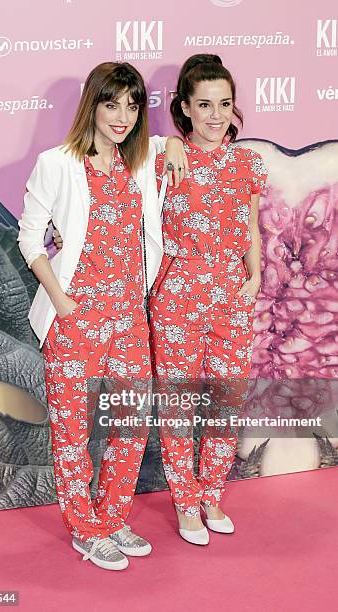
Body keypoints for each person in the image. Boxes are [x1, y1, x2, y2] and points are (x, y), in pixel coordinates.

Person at [17, 62, 186, 571]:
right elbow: (29, 237)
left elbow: (161, 148)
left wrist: (171, 142)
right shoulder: (57, 162)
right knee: (71, 431)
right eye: (111, 104)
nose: (122, 116)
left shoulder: (136, 162)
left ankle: (112, 517)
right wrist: (61, 300)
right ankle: (84, 529)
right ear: (92, 103)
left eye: (133, 107)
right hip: (75, 318)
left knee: (131, 426)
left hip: (129, 316)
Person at [149, 54, 268, 545]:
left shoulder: (247, 162)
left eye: (224, 104)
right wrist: (171, 141)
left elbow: (251, 224)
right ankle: (185, 502)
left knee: (226, 403)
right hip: (178, 295)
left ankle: (212, 492)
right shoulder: (163, 159)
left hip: (232, 295)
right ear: (185, 108)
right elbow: (115, 147)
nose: (216, 115)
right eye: (204, 105)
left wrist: (256, 274)